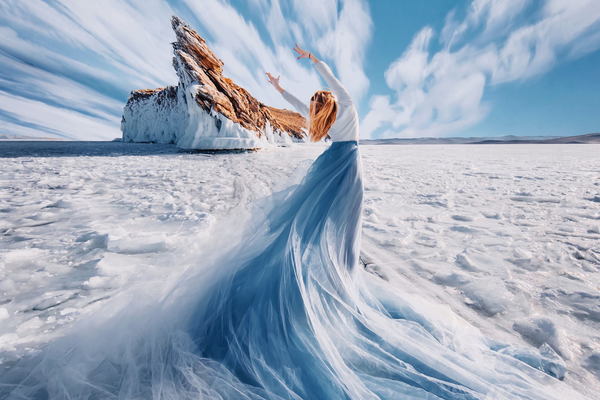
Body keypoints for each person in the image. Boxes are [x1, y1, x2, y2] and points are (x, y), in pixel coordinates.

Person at [1, 46, 586, 400]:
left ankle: (334, 287)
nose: (319, 106)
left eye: (316, 102)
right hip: (341, 174)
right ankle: (337, 285)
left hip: (336, 173)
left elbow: (333, 85)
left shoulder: (339, 114)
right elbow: (318, 99)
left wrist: (311, 66)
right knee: (326, 244)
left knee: (315, 242)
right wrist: (284, 84)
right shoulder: (338, 120)